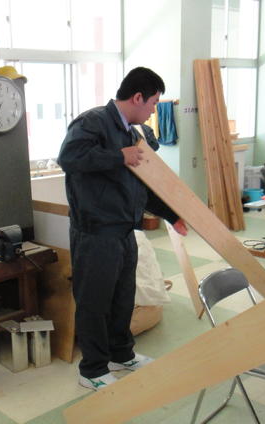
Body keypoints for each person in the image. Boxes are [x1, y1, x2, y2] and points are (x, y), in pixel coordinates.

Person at [57, 67, 187, 391]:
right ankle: (92, 369)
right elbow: (69, 158)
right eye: (153, 103)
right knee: (94, 302)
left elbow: (141, 185)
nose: (154, 110)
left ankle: (120, 354)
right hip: (96, 232)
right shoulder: (93, 122)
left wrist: (172, 215)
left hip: (125, 231)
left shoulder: (132, 132)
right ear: (138, 97)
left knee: (123, 298)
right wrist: (118, 156)